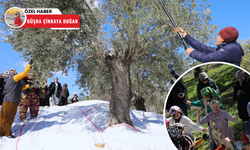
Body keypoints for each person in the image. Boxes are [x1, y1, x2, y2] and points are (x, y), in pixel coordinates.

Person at [174, 27, 244, 66]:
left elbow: (207, 58)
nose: (216, 37)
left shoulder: (231, 49)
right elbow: (206, 49)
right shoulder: (228, 48)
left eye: (219, 36)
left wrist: (192, 53)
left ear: (223, 38)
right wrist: (186, 36)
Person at [0, 60, 32, 138]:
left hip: (9, 100)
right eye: (14, 72)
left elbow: (21, 88)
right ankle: (7, 133)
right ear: (12, 74)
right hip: (11, 101)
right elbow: (24, 73)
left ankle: (1, 132)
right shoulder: (14, 78)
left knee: (4, 117)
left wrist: (29, 85)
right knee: (8, 117)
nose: (16, 73)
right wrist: (29, 64)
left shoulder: (11, 81)